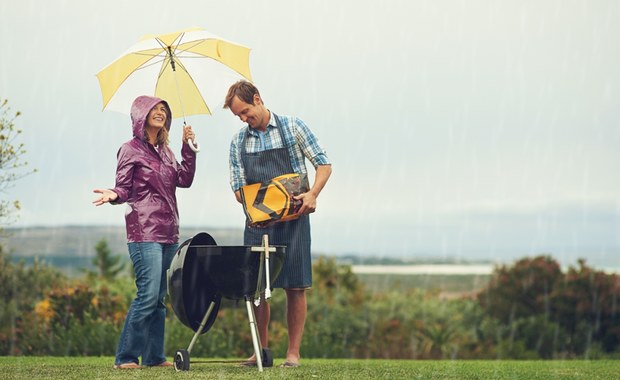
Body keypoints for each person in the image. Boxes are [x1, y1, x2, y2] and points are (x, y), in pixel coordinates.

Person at [224, 80, 332, 368]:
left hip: (295, 220)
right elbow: (238, 189)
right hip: (258, 224)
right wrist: (264, 203)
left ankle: (293, 354)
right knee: (257, 288)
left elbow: (324, 164)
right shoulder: (237, 142)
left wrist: (312, 194)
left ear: (258, 99)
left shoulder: (293, 127)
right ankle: (261, 351)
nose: (244, 119)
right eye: (239, 116)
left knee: (296, 286)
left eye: (246, 112)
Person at [92, 95, 197, 369]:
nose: (160, 112)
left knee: (160, 298)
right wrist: (113, 193)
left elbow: (184, 180)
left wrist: (188, 147)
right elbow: (124, 188)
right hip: (144, 230)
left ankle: (153, 357)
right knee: (148, 295)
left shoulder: (167, 152)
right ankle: (126, 357)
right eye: (155, 109)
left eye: (164, 109)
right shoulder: (129, 149)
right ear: (141, 114)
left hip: (169, 231)